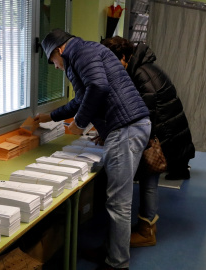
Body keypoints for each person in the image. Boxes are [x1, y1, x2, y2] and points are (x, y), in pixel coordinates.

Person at [36, 29, 151, 270]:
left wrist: (79, 124)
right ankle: (111, 251)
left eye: (53, 62)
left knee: (119, 202)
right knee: (118, 200)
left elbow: (98, 87)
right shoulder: (85, 51)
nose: (56, 67)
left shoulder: (80, 53)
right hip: (129, 125)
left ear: (59, 50)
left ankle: (117, 264)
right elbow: (83, 97)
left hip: (125, 127)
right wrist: (52, 116)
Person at [101, 36, 196, 247]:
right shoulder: (141, 67)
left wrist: (138, 140)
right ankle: (146, 225)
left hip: (162, 133)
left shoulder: (141, 73)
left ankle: (146, 231)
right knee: (148, 180)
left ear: (123, 57)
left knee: (149, 179)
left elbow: (146, 111)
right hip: (164, 129)